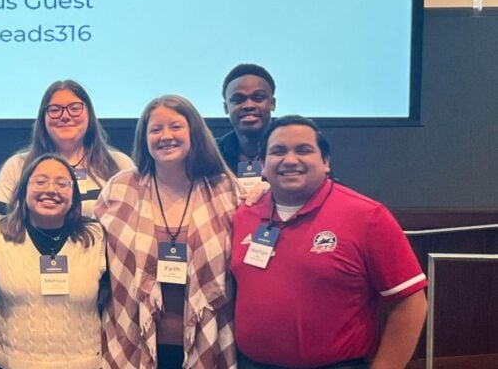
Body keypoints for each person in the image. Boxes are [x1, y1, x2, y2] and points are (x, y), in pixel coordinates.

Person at [232, 116, 427, 369]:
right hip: (252, 364)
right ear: (263, 166)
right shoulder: (243, 214)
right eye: (278, 151)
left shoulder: (367, 216)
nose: (290, 160)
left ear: (325, 162)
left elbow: (410, 302)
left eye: (303, 150)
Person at [95, 95, 240, 369]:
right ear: (144, 138)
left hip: (208, 343)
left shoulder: (224, 190)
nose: (166, 136)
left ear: (193, 132)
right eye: (156, 129)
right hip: (132, 342)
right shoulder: (122, 189)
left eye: (175, 127)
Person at [0, 154, 106, 369]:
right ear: (23, 190)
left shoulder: (96, 237)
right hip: (11, 363)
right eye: (40, 182)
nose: (51, 190)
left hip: (84, 363)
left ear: (74, 195)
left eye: (62, 184)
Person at [0, 80, 134, 217]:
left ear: (89, 114)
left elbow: (138, 224)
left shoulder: (120, 165)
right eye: (55, 109)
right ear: (42, 118)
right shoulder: (17, 166)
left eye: (75, 108)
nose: (65, 116)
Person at [217, 64, 277, 175]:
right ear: (226, 108)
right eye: (238, 100)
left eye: (258, 98)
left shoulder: (291, 149)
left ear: (272, 104)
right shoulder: (211, 154)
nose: (248, 105)